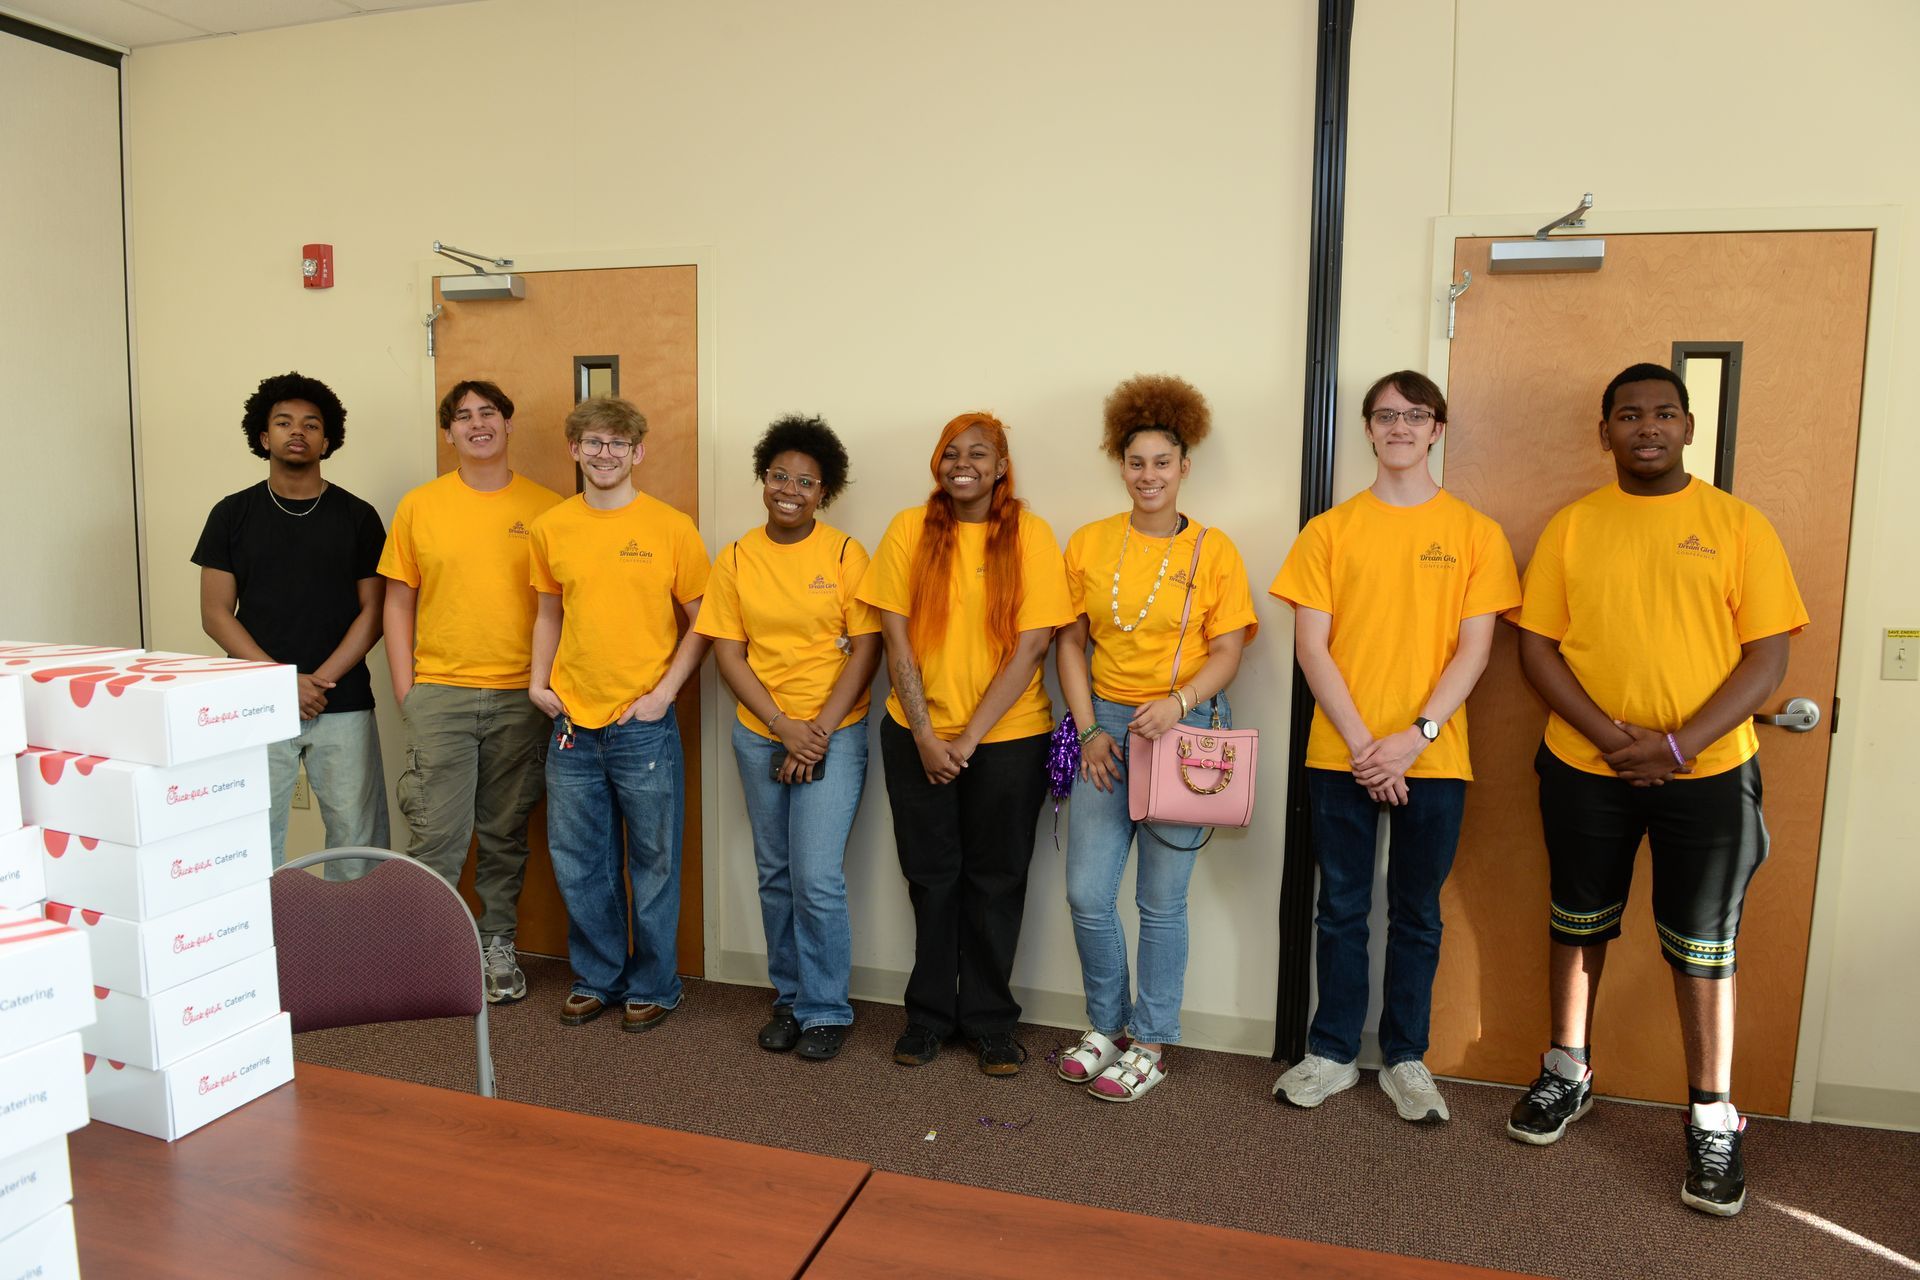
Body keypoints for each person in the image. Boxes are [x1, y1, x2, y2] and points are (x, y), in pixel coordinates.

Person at [1505, 363, 1804, 1217]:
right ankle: (1567, 1070)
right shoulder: (1573, 527)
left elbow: (1768, 658)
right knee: (1578, 918)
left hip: (1709, 773)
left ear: (1688, 428)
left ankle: (1712, 1116)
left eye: (1664, 413)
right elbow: (1537, 649)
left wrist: (1678, 746)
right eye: (1629, 415)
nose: (1648, 427)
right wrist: (1615, 743)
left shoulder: (1738, 525)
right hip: (1584, 765)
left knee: (1704, 948)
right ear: (1604, 431)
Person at [1269, 370, 1519, 1124]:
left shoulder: (1476, 534)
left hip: (1432, 757)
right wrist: (1364, 747)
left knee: (1417, 913)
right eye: (1386, 416)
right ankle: (1332, 1053)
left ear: (1437, 429)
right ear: (1368, 429)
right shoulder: (1329, 531)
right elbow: (1312, 648)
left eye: (1415, 415)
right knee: (1341, 908)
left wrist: (1414, 739)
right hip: (1340, 755)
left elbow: (1475, 651)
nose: (1400, 427)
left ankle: (1406, 1058)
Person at [1054, 374, 1258, 1103]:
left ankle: (1150, 1040)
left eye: (1162, 463)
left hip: (1183, 728)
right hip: (1105, 729)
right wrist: (1088, 729)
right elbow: (1069, 643)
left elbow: (1229, 650)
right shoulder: (1089, 543)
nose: (1149, 475)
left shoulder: (1214, 550)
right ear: (1121, 466)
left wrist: (1179, 702)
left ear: (1184, 467)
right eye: (1136, 462)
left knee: (1161, 903)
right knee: (1086, 893)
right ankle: (1106, 1026)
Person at [857, 411, 1073, 1075]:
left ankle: (989, 1021)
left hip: (1008, 740)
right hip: (915, 735)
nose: (963, 463)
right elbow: (894, 637)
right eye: (951, 452)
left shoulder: (1032, 535)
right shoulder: (908, 529)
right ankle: (927, 1016)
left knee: (996, 881)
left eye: (978, 453)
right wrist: (925, 733)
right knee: (931, 878)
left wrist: (969, 738)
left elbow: (1032, 646)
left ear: (1001, 466)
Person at [695, 415, 881, 1062]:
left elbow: (866, 648)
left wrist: (817, 731)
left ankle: (826, 1008)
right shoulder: (736, 557)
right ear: (763, 478)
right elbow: (728, 652)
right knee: (775, 874)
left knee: (816, 876)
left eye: (806, 482)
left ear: (824, 492)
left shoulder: (845, 554)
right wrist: (782, 726)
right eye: (780, 476)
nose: (790, 490)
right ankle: (790, 997)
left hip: (835, 734)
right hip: (760, 734)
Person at [527, 396, 710, 1032]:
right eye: (593, 443)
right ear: (574, 450)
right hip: (571, 722)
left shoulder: (672, 527)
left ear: (638, 452)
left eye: (617, 444)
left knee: (653, 862)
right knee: (580, 860)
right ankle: (598, 977)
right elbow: (549, 612)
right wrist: (537, 681)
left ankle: (655, 984)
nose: (605, 454)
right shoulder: (551, 527)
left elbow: (704, 621)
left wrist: (665, 694)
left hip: (643, 725)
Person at [378, 380, 562, 1005]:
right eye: (463, 416)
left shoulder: (548, 509)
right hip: (440, 694)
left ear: (509, 424)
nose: (477, 424)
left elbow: (562, 607)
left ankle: (496, 946)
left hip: (520, 697)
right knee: (436, 833)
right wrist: (407, 689)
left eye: (488, 413)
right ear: (449, 432)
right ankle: (427, 952)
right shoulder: (420, 506)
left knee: (505, 833)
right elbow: (397, 601)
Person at [193, 371, 389, 877]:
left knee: (355, 841)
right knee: (249, 840)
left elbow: (374, 612)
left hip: (342, 700)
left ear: (328, 440)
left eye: (311, 424)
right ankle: (259, 931)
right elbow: (215, 613)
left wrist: (318, 681)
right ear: (264, 437)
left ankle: (351, 931)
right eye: (283, 423)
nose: (297, 431)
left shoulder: (358, 516)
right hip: (255, 701)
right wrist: (282, 682)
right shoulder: (231, 514)